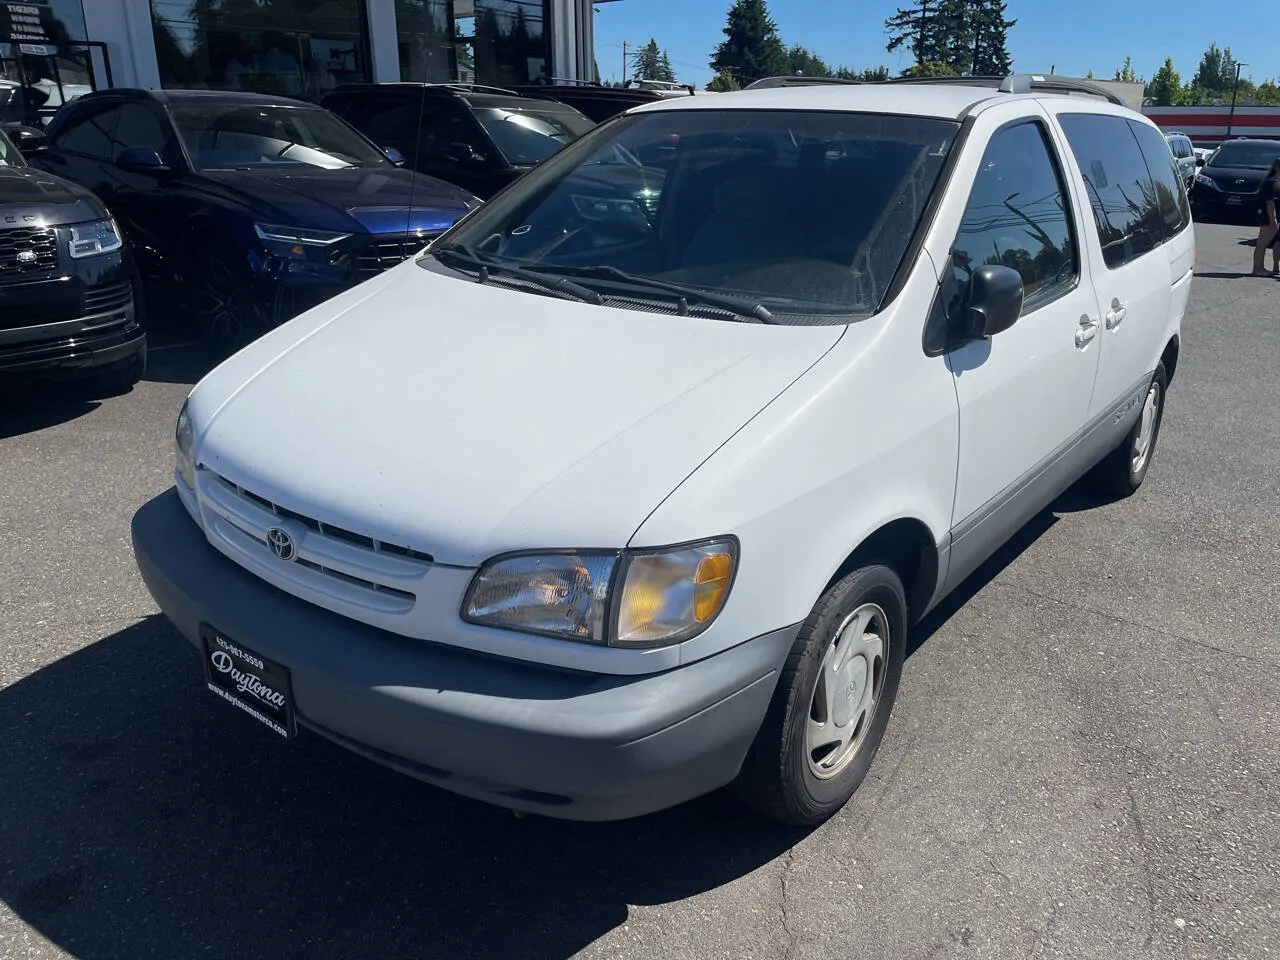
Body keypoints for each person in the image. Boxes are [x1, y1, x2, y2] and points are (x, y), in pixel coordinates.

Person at [1253, 157, 1280, 277]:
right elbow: (1270, 203)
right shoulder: (1271, 182)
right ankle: (1257, 269)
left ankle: (1260, 267)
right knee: (1262, 243)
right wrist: (1273, 219)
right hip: (1267, 217)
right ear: (1277, 168)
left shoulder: (1275, 181)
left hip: (1269, 216)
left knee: (1263, 243)